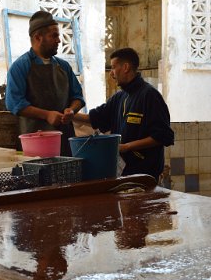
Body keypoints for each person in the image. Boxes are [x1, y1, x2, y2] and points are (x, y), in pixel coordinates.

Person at [74, 48, 174, 182]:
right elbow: (95, 118)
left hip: (145, 176)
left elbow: (163, 137)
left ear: (126, 67)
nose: (112, 74)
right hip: (122, 174)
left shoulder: (150, 96)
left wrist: (127, 147)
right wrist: (70, 115)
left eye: (114, 67)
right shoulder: (119, 97)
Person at [5, 10, 85, 156]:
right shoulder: (20, 67)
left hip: (65, 140)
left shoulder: (64, 66)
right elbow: (14, 103)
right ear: (38, 37)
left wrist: (72, 110)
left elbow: (78, 97)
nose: (59, 40)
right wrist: (47, 115)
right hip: (34, 142)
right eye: (54, 36)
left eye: (58, 36)